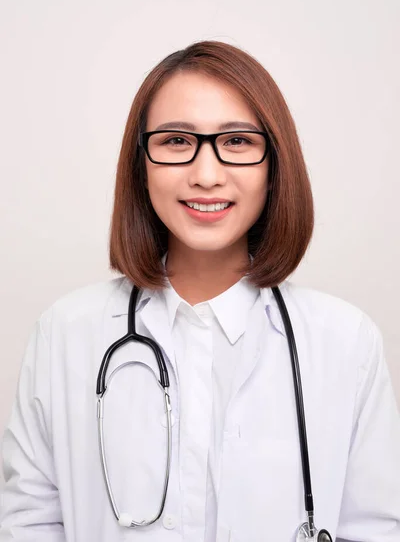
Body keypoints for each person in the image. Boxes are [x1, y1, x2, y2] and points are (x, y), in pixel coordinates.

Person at [1, 41, 399, 542]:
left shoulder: (345, 342)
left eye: (236, 142)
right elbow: (29, 525)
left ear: (274, 164)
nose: (206, 175)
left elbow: (374, 530)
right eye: (175, 142)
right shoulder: (65, 334)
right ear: (140, 163)